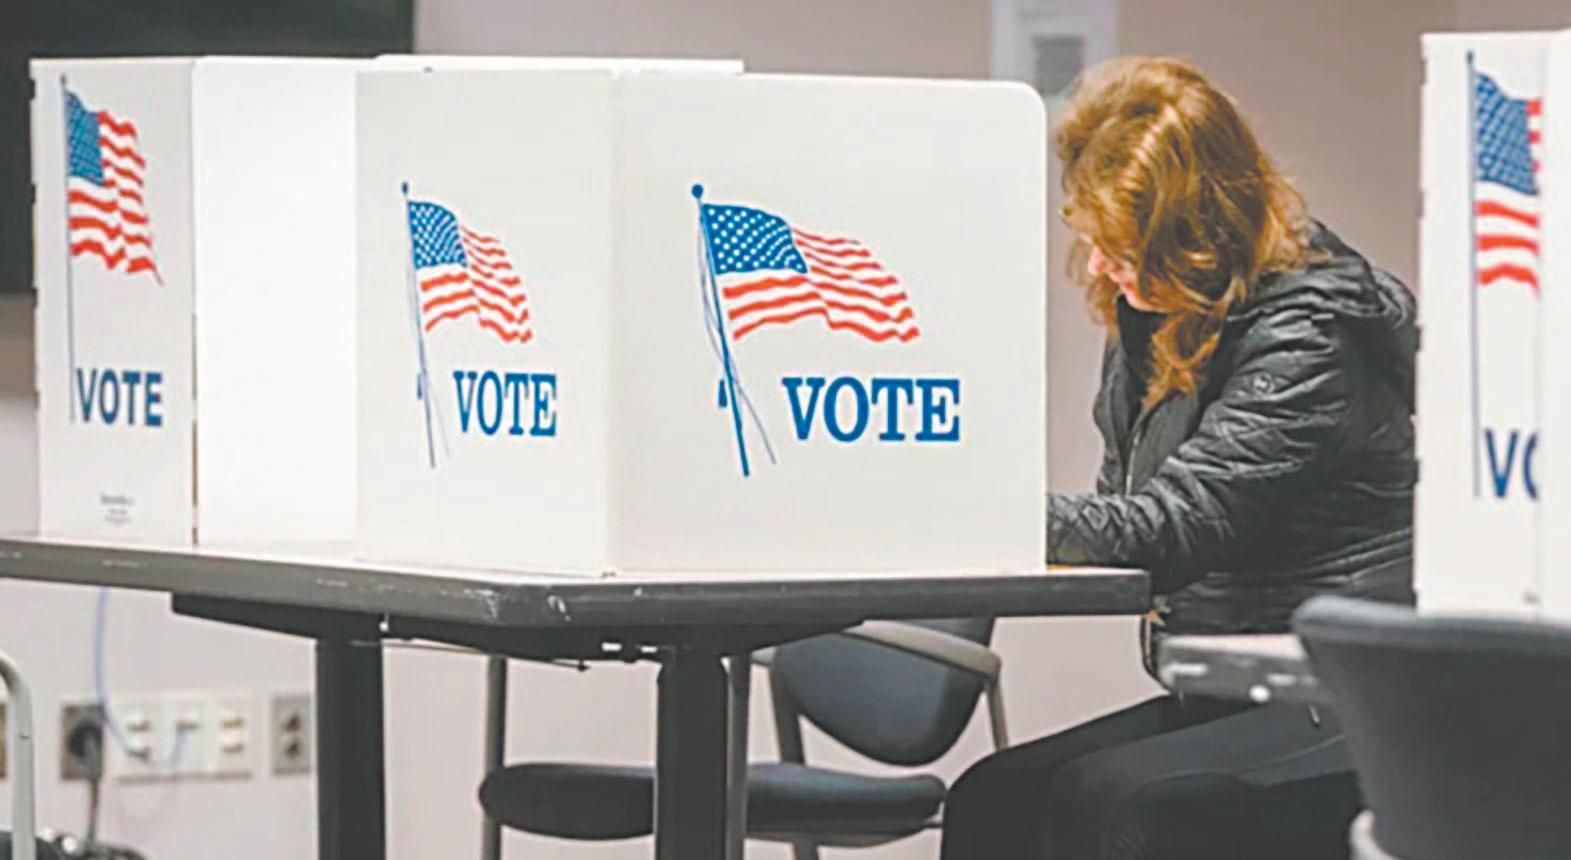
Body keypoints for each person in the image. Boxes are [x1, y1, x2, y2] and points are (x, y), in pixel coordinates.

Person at [939, 56, 1417, 860]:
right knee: (995, 797)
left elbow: (1172, 526)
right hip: (1227, 683)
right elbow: (1122, 509)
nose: (1100, 265)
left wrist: (970, 509)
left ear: (1197, 234)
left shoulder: (1306, 335)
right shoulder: (1157, 319)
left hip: (1334, 693)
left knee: (1121, 808)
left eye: (1122, 246)